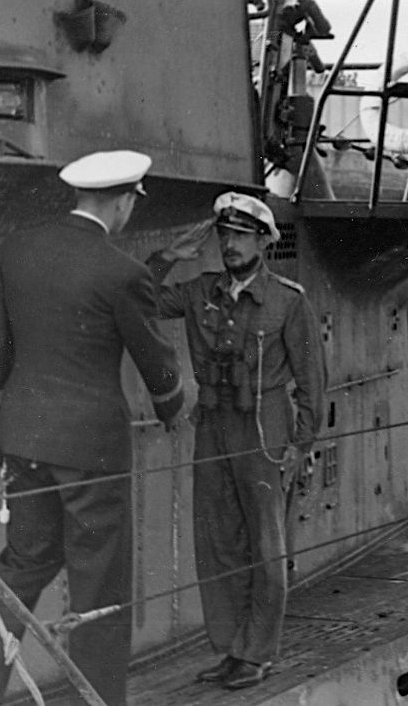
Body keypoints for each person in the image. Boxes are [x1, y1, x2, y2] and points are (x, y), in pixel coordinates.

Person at [0, 151, 186, 706]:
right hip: (92, 452)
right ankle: (97, 701)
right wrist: (172, 409)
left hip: (22, 439)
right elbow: (157, 367)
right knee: (99, 581)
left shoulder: (17, 250)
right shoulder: (122, 272)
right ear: (123, 199)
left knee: (24, 560)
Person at [146, 192, 326, 690]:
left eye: (242, 235)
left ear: (264, 241)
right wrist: (166, 258)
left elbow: (312, 378)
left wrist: (302, 443)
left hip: (266, 424)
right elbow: (139, 300)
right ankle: (232, 647)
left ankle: (257, 652)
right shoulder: (199, 290)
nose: (230, 244)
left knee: (265, 543)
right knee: (219, 538)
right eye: (225, 235)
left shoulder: (289, 301)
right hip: (213, 422)